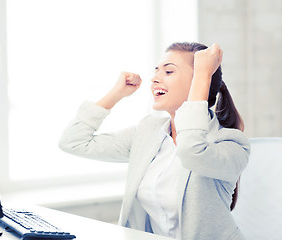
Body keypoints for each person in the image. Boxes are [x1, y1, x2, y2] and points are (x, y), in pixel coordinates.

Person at [59, 42, 250, 240]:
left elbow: (191, 150)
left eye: (168, 72)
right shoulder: (149, 132)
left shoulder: (232, 143)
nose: (155, 78)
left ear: (200, 83)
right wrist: (116, 94)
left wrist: (203, 76)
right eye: (157, 70)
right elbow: (73, 141)